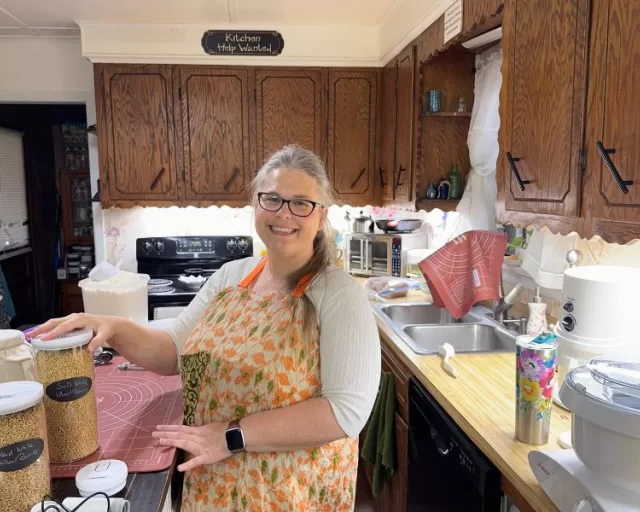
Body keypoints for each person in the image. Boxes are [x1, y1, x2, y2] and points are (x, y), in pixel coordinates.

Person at [30, 145, 381, 511]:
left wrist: (231, 436)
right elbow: (172, 351)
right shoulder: (232, 275)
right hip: (215, 486)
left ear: (321, 215)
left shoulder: (338, 294)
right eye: (272, 199)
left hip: (289, 493)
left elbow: (346, 411)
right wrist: (113, 326)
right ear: (256, 204)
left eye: (301, 203)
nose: (284, 213)